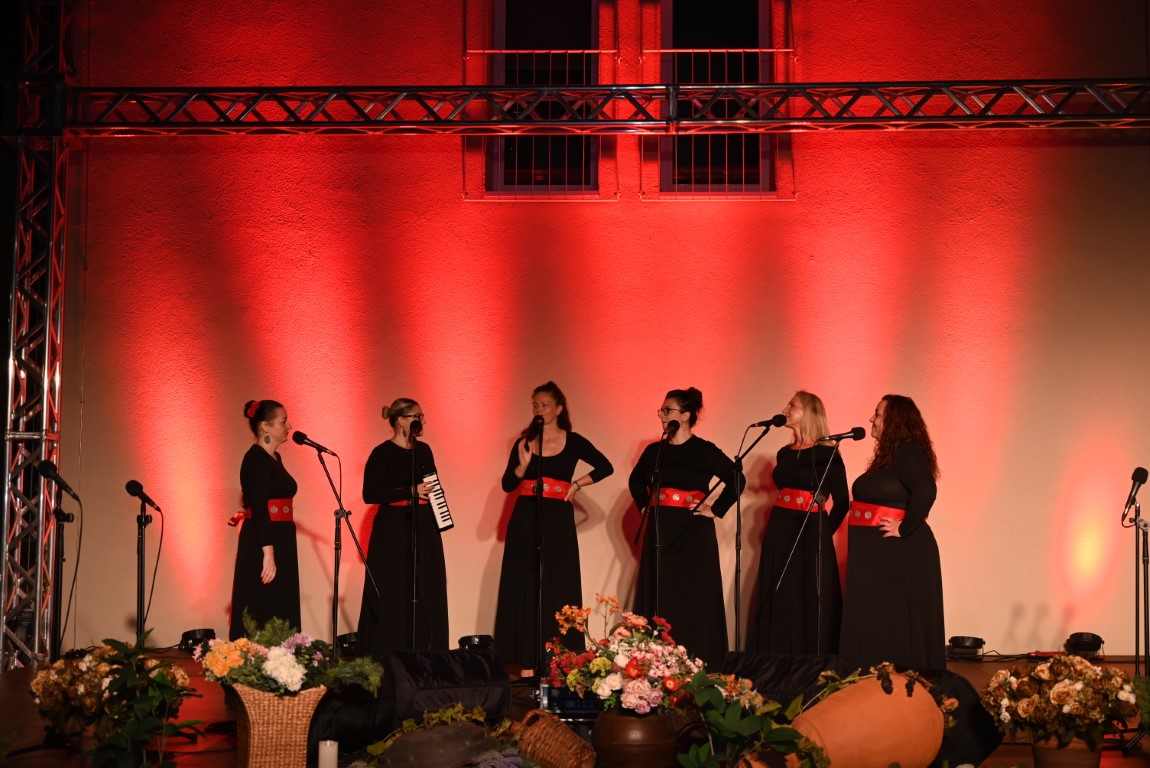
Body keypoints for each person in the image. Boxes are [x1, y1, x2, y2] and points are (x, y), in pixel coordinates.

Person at [494, 381, 614, 678]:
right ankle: (525, 664)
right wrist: (521, 467)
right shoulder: (525, 442)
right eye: (535, 405)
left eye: (544, 404)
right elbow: (508, 484)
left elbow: (605, 466)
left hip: (557, 519)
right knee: (527, 582)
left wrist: (577, 484)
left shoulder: (573, 441)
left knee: (556, 584)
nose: (538, 409)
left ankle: (559, 660)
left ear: (559, 409)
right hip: (526, 516)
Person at [628, 387, 744, 669]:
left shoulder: (704, 450)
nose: (661, 416)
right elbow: (635, 480)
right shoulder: (655, 451)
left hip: (694, 533)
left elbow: (737, 479)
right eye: (661, 410)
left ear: (686, 415)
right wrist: (644, 505)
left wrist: (715, 509)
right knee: (662, 592)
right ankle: (658, 663)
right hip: (661, 529)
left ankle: (697, 661)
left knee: (693, 595)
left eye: (667, 410)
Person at [839, 394, 944, 672]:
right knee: (880, 621)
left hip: (899, 554)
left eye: (878, 414)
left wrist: (904, 527)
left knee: (894, 622)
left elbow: (926, 489)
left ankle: (895, 683)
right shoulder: (890, 457)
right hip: (879, 557)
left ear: (894, 420)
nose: (871, 419)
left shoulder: (906, 451)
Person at [748, 391, 849, 655]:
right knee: (781, 591)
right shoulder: (783, 453)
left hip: (811, 529)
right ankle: (776, 655)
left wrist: (823, 533)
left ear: (809, 413)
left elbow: (842, 503)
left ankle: (811, 657)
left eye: (792, 405)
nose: (786, 409)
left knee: (807, 592)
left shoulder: (827, 453)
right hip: (780, 526)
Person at [356, 398, 449, 658]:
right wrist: (410, 490)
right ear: (400, 420)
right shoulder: (381, 453)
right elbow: (370, 494)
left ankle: (427, 655)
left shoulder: (424, 450)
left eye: (422, 415)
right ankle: (390, 656)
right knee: (394, 590)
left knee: (426, 586)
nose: (422, 420)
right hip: (393, 529)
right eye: (417, 415)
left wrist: (440, 514)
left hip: (424, 525)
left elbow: (432, 485)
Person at [230, 399, 300, 639]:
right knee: (261, 599)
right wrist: (268, 552)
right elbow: (259, 507)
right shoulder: (255, 458)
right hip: (264, 539)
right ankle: (257, 654)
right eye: (283, 421)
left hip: (281, 536)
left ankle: (283, 653)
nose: (289, 426)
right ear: (265, 426)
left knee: (280, 599)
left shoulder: (275, 458)